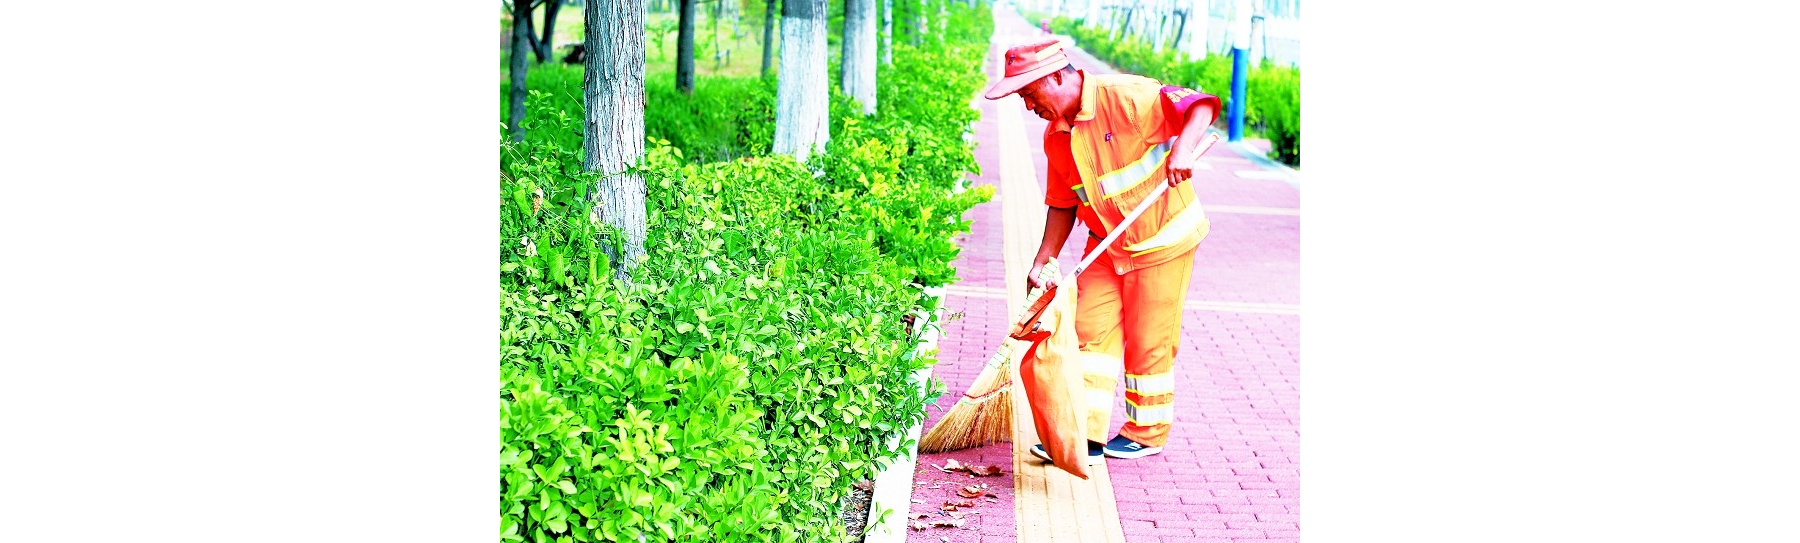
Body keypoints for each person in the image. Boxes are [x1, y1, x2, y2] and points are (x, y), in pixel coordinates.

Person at [983, 37, 1220, 464]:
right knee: (1086, 332)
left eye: (1029, 93)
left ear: (1056, 77)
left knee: (1149, 341)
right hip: (1108, 247)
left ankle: (1147, 433)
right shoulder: (1056, 136)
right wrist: (1044, 258)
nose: (1028, 105)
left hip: (1163, 240)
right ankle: (1083, 434)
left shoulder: (1127, 97)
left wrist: (1182, 150)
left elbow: (1200, 105)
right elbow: (1063, 202)